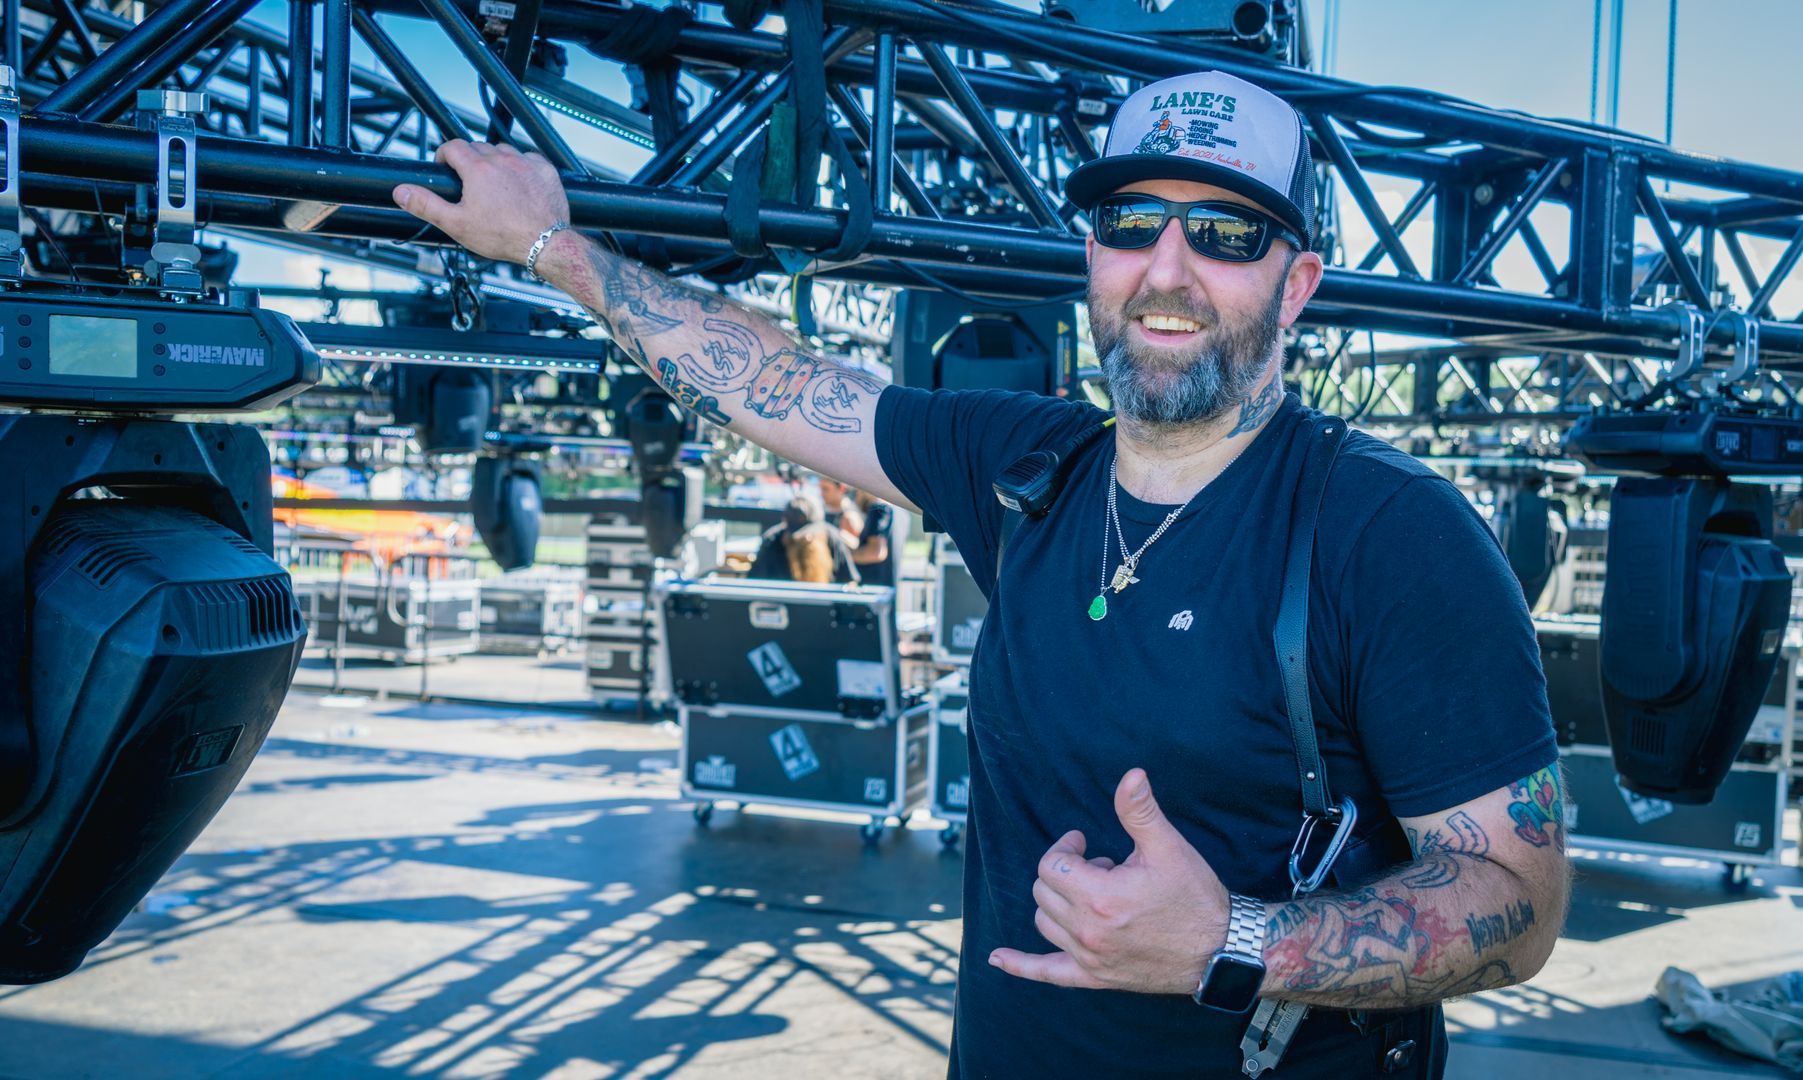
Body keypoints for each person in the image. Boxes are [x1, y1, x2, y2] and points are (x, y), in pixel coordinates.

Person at [395, 68, 1567, 1078]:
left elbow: (1518, 902)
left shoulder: (1393, 534)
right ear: (1091, 256)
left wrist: (1236, 940)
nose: (1168, 269)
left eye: (1225, 234)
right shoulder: (1029, 465)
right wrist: (553, 248)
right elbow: (780, 384)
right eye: (1131, 223)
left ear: (1296, 284)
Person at [748, 495, 859, 584]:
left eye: (810, 533)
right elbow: (755, 583)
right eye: (798, 534)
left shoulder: (832, 537)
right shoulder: (772, 540)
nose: (806, 537)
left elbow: (850, 582)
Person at [848, 489, 897, 588]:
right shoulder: (898, 511)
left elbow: (875, 553)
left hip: (872, 590)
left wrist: (843, 557)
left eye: (856, 490)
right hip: (887, 589)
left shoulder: (879, 509)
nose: (855, 496)